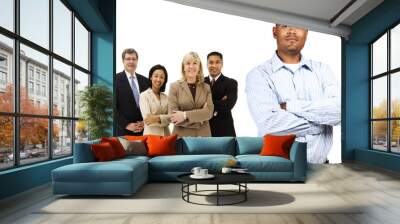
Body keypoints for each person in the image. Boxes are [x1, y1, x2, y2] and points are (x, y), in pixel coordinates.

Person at [245, 24, 340, 164]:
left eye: (298, 25)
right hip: (278, 169)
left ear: (306, 32)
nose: (292, 31)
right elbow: (269, 123)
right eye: (285, 25)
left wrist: (290, 107)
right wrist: (319, 124)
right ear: (274, 31)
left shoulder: (323, 70)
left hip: (322, 168)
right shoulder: (259, 74)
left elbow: (339, 111)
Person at [168, 51, 214, 137]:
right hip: (181, 138)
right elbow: (173, 117)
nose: (191, 66)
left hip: (203, 137)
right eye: (188, 63)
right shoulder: (174, 87)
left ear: (199, 67)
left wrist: (184, 115)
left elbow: (209, 112)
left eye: (195, 63)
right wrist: (200, 119)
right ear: (183, 67)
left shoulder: (206, 87)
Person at [115, 48, 150, 136]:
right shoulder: (115, 80)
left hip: (145, 131)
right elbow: (112, 107)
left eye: (134, 59)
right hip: (124, 131)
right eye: (128, 59)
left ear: (137, 61)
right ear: (123, 61)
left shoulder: (145, 81)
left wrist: (145, 122)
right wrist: (126, 124)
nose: (131, 61)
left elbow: (150, 104)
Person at [204, 51, 238, 137]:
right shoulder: (200, 83)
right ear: (207, 64)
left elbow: (228, 105)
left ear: (222, 64)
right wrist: (220, 101)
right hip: (204, 129)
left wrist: (206, 104)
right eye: (211, 62)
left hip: (224, 130)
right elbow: (196, 104)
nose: (214, 65)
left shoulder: (231, 83)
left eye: (217, 62)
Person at [139, 64, 170, 136]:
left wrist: (156, 118)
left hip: (167, 136)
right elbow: (148, 120)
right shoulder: (144, 95)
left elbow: (171, 118)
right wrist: (164, 118)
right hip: (151, 137)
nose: (158, 79)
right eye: (156, 76)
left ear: (164, 80)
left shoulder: (166, 97)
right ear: (151, 77)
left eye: (162, 77)